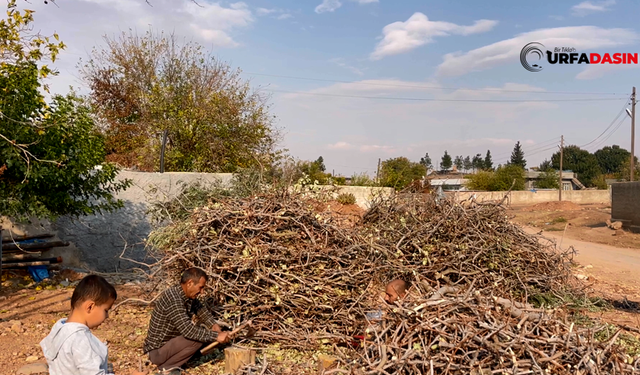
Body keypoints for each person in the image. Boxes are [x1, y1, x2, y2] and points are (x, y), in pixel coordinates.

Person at [40, 274, 146, 375]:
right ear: (90, 307)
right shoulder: (81, 340)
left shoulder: (59, 329)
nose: (107, 316)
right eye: (106, 310)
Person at [143, 267, 230, 373]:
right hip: (157, 351)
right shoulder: (173, 299)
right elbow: (187, 330)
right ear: (189, 283)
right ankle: (167, 368)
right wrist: (216, 336)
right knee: (198, 338)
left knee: (204, 335)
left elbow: (203, 312)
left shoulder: (187, 296)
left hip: (168, 347)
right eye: (200, 287)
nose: (202, 292)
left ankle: (174, 363)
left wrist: (215, 327)